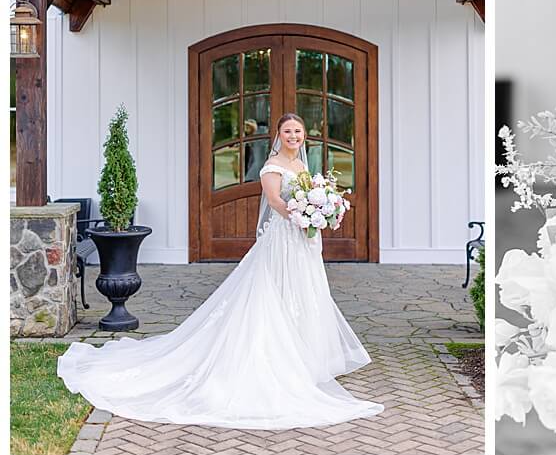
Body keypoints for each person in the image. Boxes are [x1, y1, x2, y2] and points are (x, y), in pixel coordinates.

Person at [57, 113, 383, 430]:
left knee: (302, 294)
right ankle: (274, 360)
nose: (293, 137)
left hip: (301, 244)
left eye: (298, 132)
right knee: (272, 296)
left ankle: (304, 358)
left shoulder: (302, 163)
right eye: (287, 132)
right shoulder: (272, 168)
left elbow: (307, 195)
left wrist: (320, 212)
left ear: (304, 136)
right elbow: (275, 202)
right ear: (278, 136)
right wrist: (306, 214)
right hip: (282, 241)